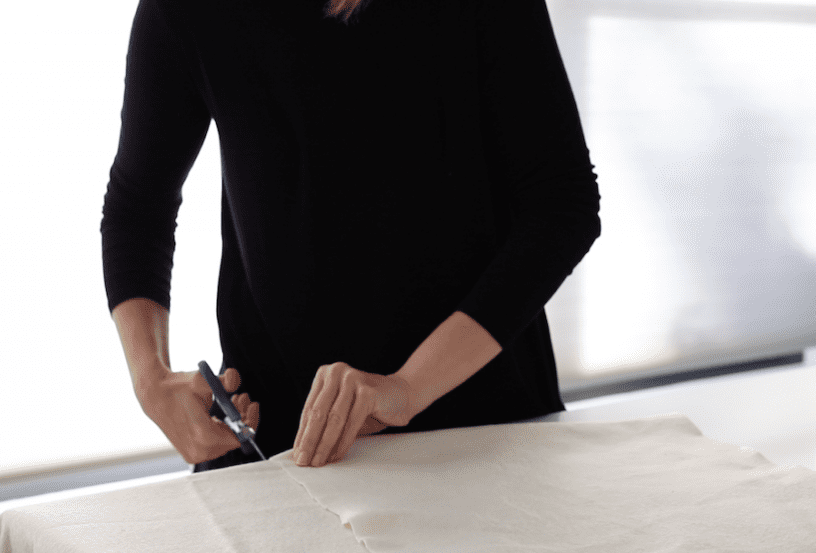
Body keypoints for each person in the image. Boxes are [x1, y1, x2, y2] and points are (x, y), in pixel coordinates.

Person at [101, 0, 601, 471]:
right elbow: (137, 207)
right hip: (278, 443)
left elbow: (562, 204)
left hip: (480, 435)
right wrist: (152, 381)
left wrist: (407, 388)